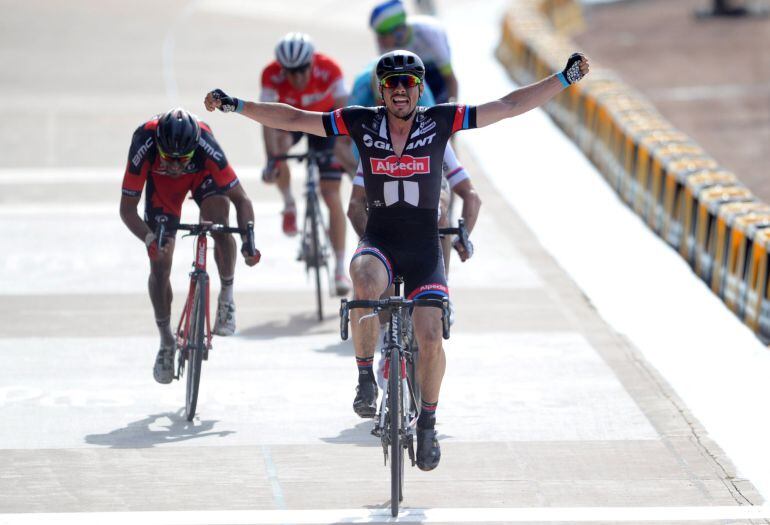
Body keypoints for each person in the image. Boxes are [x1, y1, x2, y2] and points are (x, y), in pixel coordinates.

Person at [204, 49, 589, 471]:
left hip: (425, 249)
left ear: (419, 88)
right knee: (363, 277)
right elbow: (295, 118)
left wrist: (564, 78)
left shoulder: (440, 120)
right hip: (381, 240)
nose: (400, 90)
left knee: (429, 338)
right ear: (382, 90)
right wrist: (235, 105)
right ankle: (366, 376)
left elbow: (509, 105)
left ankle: (427, 423)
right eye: (392, 84)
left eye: (408, 83)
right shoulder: (361, 121)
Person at [119, 108, 260, 384]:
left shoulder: (207, 145)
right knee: (160, 263)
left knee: (219, 220)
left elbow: (242, 199)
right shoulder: (143, 143)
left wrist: (248, 242)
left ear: (193, 150)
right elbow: (127, 210)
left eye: (181, 159)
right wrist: (150, 240)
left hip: (202, 178)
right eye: (167, 159)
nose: (174, 165)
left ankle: (227, 297)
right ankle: (166, 341)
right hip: (163, 190)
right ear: (157, 146)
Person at [344, 61, 480, 275]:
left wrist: (463, 236)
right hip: (382, 196)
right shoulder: (373, 133)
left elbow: (470, 195)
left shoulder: (430, 127)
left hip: (428, 202)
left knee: (439, 206)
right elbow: (354, 206)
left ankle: (442, 286)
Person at [260, 32, 353, 295]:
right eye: (290, 71)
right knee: (278, 143)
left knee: (331, 194)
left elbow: (343, 116)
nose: (297, 77)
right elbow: (267, 120)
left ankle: (338, 268)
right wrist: (271, 160)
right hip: (292, 123)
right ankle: (289, 203)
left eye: (302, 70)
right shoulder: (270, 74)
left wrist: (342, 155)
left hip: (325, 125)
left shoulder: (330, 69)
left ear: (312, 63)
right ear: (281, 68)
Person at [369, 0, 458, 104]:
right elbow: (382, 87)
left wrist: (453, 106)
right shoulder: (386, 44)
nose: (379, 41)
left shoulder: (430, 34)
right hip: (413, 70)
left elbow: (449, 78)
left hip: (434, 69)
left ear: (397, 30)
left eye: (382, 35)